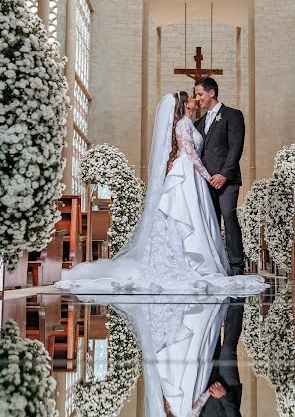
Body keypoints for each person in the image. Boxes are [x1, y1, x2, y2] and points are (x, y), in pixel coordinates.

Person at [55, 92, 266, 295]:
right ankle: (192, 262)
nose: (196, 99)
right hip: (188, 174)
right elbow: (191, 153)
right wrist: (205, 174)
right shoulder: (185, 123)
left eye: (198, 95)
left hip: (191, 174)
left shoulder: (193, 123)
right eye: (192, 97)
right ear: (184, 104)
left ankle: (200, 260)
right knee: (186, 215)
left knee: (193, 216)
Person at [195, 77, 246, 275]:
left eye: (200, 94)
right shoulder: (198, 122)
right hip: (205, 181)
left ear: (212, 93)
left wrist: (224, 174)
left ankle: (236, 265)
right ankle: (215, 263)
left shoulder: (232, 115)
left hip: (227, 179)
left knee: (229, 215)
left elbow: (235, 147)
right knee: (211, 221)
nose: (197, 98)